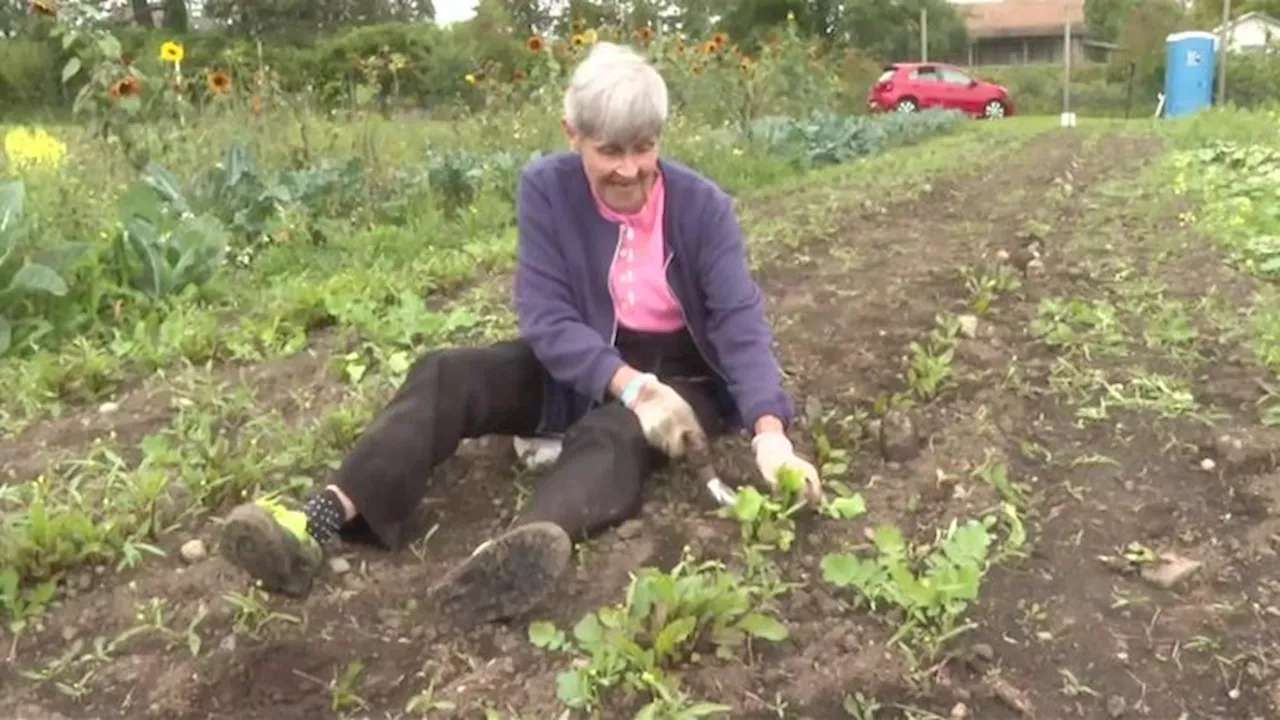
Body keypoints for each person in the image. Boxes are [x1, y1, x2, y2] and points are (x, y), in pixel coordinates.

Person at [217, 41, 822, 628]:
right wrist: (631, 385)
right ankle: (316, 524)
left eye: (645, 147)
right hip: (585, 360)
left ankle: (507, 555)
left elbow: (739, 323)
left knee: (612, 434)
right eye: (610, 150)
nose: (631, 168)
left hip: (686, 375)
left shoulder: (702, 207)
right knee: (446, 372)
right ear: (573, 135)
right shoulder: (547, 190)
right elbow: (546, 316)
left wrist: (769, 433)